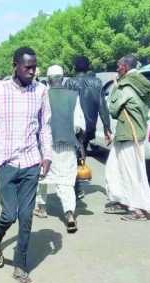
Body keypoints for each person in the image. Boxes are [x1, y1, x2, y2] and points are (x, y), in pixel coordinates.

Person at [0, 47, 52, 283]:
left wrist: (47, 155)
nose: (32, 71)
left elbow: (45, 126)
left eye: (34, 67)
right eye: (27, 67)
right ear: (15, 65)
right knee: (9, 213)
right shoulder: (0, 90)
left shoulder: (41, 91)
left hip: (30, 162)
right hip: (6, 162)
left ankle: (20, 266)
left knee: (26, 216)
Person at [104, 54, 150, 221]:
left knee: (130, 172)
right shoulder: (142, 82)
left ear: (125, 67)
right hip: (133, 133)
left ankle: (137, 210)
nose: (117, 68)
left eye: (119, 65)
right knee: (114, 169)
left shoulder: (125, 85)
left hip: (128, 134)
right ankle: (122, 200)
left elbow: (112, 110)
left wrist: (115, 85)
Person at [34, 65, 85, 233]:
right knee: (66, 180)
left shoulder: (43, 94)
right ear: (62, 78)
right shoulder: (73, 96)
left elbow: (39, 122)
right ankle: (69, 213)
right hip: (67, 144)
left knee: (42, 176)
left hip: (46, 145)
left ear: (48, 79)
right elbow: (79, 124)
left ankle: (41, 207)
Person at [65, 55, 113, 200]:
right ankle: (77, 184)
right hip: (89, 126)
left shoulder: (69, 83)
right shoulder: (97, 83)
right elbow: (102, 106)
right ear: (88, 67)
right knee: (81, 152)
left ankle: (74, 185)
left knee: (71, 155)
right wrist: (107, 126)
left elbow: (65, 105)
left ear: (74, 67)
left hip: (73, 126)